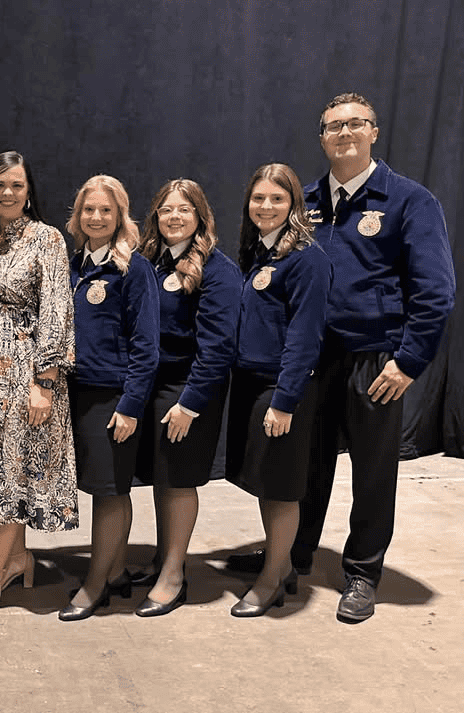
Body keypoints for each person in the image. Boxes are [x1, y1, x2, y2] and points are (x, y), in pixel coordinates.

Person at [228, 93, 456, 623]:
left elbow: (436, 290)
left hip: (374, 359)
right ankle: (293, 554)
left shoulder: (409, 201)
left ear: (374, 132)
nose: (345, 133)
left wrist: (408, 361)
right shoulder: (300, 201)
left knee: (374, 470)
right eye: (334, 126)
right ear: (322, 137)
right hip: (311, 357)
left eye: (356, 124)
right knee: (302, 464)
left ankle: (362, 571)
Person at [0, 150, 77, 624]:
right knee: (4, 467)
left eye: (17, 185)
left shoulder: (46, 238)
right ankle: (17, 560)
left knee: (8, 473)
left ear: (30, 192)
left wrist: (44, 381)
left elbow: (57, 309)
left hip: (25, 370)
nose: (8, 193)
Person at [131, 179, 241, 617]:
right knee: (162, 476)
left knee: (178, 480)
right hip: (156, 386)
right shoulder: (152, 263)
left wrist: (191, 403)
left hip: (190, 389)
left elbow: (218, 348)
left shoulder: (217, 270)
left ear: (200, 217)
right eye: (165, 210)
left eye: (184, 210)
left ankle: (174, 576)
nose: (174, 217)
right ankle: (163, 558)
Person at [225, 163, 331, 617]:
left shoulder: (307, 259)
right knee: (267, 483)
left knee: (283, 488)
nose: (265, 207)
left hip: (282, 389)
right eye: (258, 199)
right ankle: (279, 560)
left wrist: (285, 400)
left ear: (294, 205)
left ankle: (273, 579)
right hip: (252, 385)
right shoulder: (261, 253)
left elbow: (306, 336)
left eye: (277, 199)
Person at [58, 175, 159, 622]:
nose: (96, 218)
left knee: (109, 492)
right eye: (88, 210)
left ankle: (95, 585)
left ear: (120, 216)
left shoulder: (133, 270)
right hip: (78, 394)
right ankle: (115, 571)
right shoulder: (72, 264)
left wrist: (131, 405)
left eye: (106, 210)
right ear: (78, 216)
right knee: (110, 488)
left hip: (113, 397)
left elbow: (146, 346)